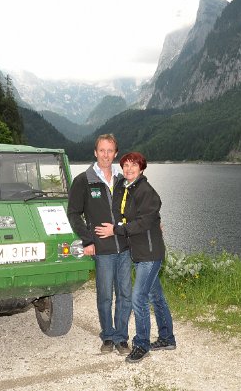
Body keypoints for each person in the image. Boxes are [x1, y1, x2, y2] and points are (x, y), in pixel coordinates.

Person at [95, 151, 176, 364]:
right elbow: (124, 212)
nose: (129, 169)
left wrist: (116, 230)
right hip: (140, 253)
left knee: (138, 298)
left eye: (134, 165)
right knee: (156, 296)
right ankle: (167, 338)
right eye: (126, 165)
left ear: (141, 168)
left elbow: (143, 222)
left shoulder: (146, 191)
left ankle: (141, 344)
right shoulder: (127, 187)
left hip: (150, 253)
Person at [67, 134, 132, 355]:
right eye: (102, 150)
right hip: (102, 250)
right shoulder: (83, 180)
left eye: (110, 150)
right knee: (105, 296)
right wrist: (87, 240)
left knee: (125, 295)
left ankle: (121, 338)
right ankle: (108, 337)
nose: (106, 155)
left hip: (124, 247)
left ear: (116, 153)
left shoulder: (123, 180)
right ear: (95, 152)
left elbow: (134, 210)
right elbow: (74, 214)